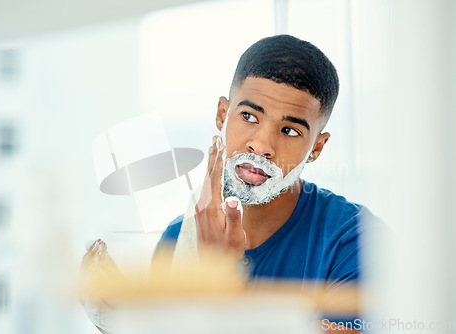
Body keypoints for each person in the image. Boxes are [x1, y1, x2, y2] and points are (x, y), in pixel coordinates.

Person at [83, 34, 378, 333]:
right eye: (249, 116)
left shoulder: (360, 241)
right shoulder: (178, 239)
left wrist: (223, 284)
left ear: (316, 148)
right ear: (223, 114)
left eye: (289, 130)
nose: (262, 145)